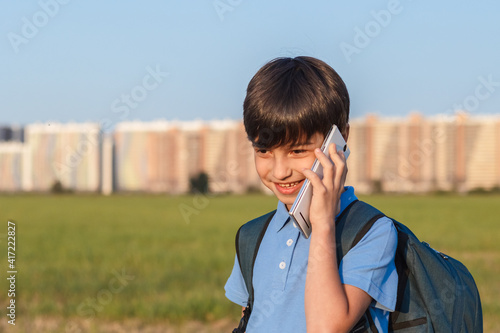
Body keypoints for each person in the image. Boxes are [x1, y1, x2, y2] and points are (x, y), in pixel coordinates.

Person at [224, 56, 398, 332]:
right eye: (263, 151)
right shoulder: (252, 236)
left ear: (338, 141)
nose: (280, 172)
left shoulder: (371, 232)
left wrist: (324, 224)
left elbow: (326, 328)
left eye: (297, 151)